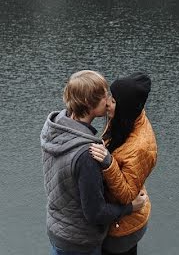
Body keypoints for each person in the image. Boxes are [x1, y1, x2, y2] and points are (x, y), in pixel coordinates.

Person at [42, 71, 148, 255]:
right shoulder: (87, 155)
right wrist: (131, 207)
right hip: (80, 243)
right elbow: (96, 214)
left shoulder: (56, 127)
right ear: (89, 104)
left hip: (57, 231)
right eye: (104, 96)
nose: (108, 100)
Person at [89, 73, 157, 255]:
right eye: (110, 96)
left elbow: (126, 195)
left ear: (124, 106)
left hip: (123, 230)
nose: (108, 103)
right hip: (121, 219)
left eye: (113, 100)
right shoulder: (127, 116)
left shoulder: (140, 147)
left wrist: (108, 163)